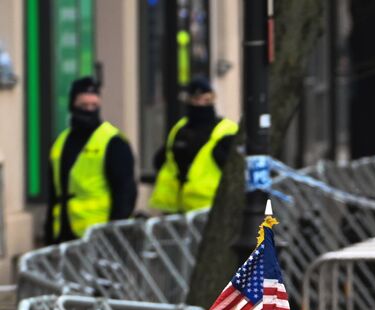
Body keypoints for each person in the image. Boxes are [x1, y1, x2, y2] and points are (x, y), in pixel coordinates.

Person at [46, 76, 136, 244]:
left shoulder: (113, 142)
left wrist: (114, 235)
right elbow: (53, 196)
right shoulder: (60, 143)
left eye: (94, 106)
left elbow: (125, 194)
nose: (89, 110)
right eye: (83, 105)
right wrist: (49, 235)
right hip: (63, 236)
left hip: (99, 238)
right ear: (72, 105)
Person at [149, 77, 238, 214]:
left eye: (206, 100)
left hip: (211, 209)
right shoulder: (179, 129)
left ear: (213, 99)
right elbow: (162, 160)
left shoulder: (227, 130)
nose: (201, 104)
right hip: (176, 209)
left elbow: (236, 171)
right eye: (196, 100)